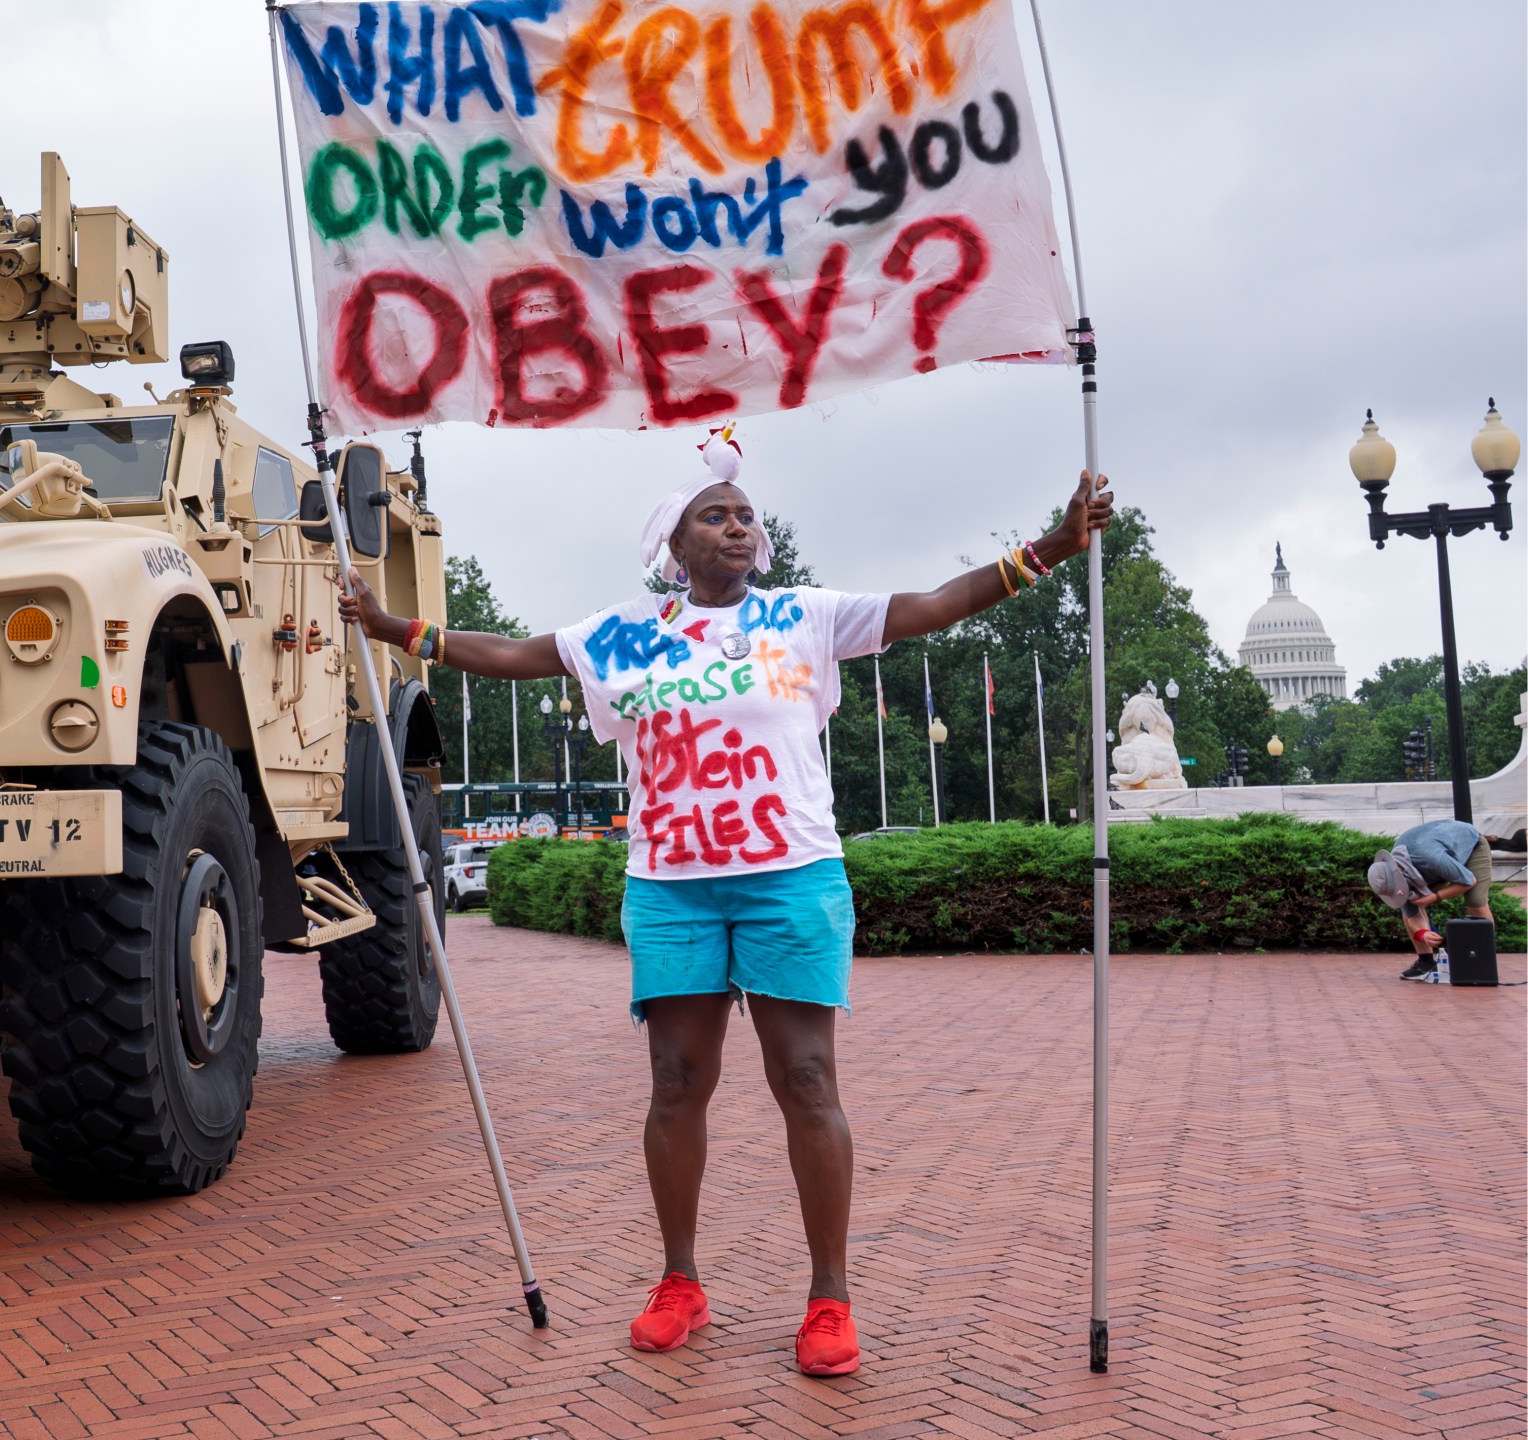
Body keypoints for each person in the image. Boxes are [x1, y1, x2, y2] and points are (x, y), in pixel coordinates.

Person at [339, 429, 1114, 1378]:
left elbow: (933, 605)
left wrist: (1048, 548)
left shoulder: (804, 616)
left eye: (746, 515)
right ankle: (682, 1282)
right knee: (675, 1085)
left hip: (792, 877)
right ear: (677, 544)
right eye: (717, 516)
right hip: (670, 887)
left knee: (808, 1082)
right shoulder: (629, 632)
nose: (738, 526)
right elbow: (512, 653)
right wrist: (393, 631)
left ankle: (830, 1298)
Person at [1367, 818, 1495, 979]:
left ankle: (1483, 961)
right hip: (1436, 858)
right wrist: (1423, 933)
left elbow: (1468, 881)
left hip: (1471, 847)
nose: (1399, 892)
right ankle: (1425, 963)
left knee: (1475, 902)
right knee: (1409, 904)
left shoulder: (1431, 859)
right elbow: (1411, 914)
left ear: (1399, 873)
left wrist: (1433, 897)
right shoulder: (1394, 871)